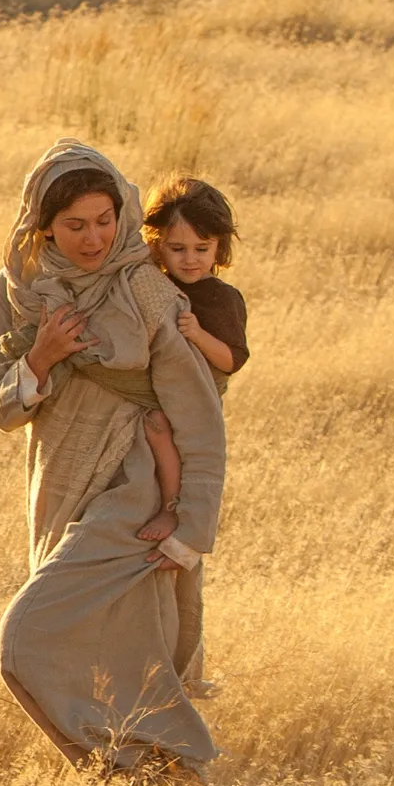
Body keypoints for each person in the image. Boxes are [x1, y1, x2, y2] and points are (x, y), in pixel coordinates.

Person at [0, 140, 225, 784]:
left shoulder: (145, 289)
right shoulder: (17, 291)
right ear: (43, 226)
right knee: (100, 656)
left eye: (105, 220)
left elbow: (200, 418)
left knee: (28, 640)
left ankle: (146, 774)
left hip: (137, 497)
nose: (94, 239)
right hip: (58, 487)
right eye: (74, 225)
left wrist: (190, 528)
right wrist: (41, 357)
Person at [141, 175, 249, 695]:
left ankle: (185, 674)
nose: (189, 260)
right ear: (156, 244)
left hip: (198, 407)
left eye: (202, 249)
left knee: (175, 459)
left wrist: (196, 333)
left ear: (219, 248)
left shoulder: (220, 298)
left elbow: (232, 359)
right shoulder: (152, 285)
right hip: (158, 405)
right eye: (177, 248)